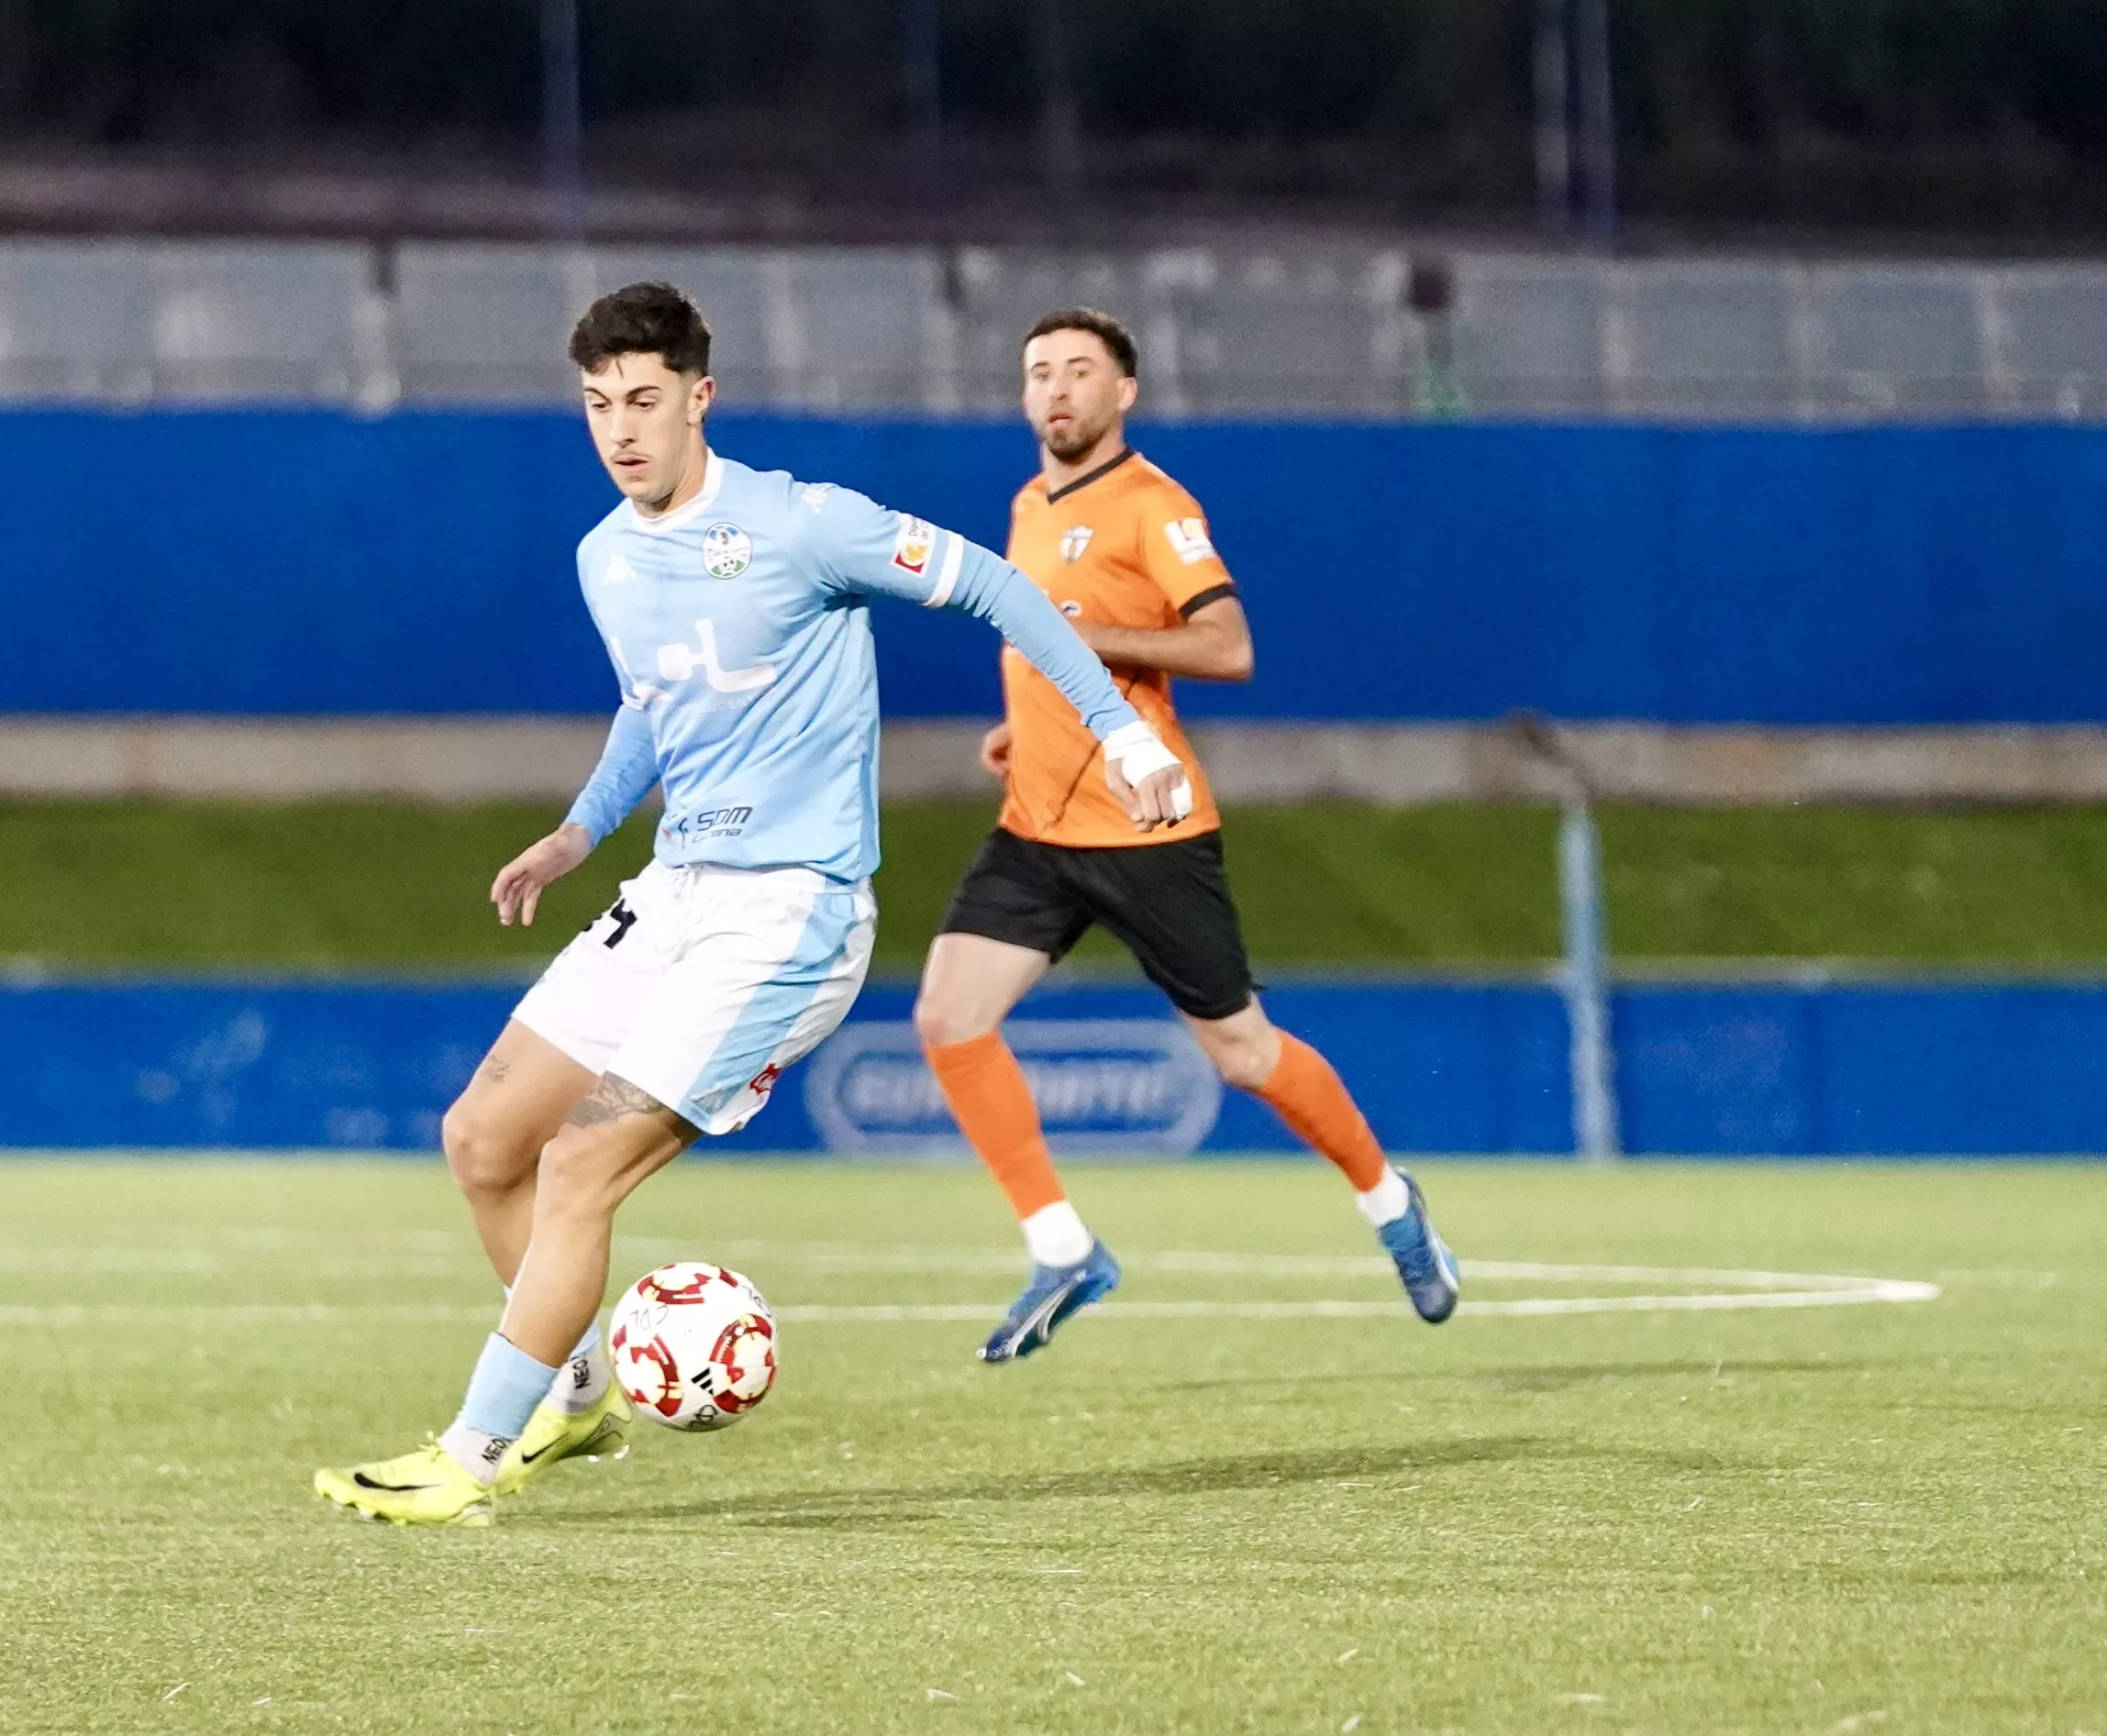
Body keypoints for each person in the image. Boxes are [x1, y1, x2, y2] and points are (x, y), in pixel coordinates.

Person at [316, 282, 1191, 1527]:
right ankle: (568, 1394)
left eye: (645, 402)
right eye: (598, 405)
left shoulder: (804, 524)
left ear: (699, 397)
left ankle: (470, 1454)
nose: (621, 431)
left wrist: (1117, 733)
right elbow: (653, 706)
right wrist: (579, 829)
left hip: (790, 913)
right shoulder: (605, 557)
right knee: (485, 1141)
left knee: (576, 1167)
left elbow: (998, 585)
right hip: (671, 891)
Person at [911, 307, 1459, 1365]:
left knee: (1244, 1053)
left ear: (1124, 394)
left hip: (1147, 829)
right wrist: (1020, 723)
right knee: (948, 1016)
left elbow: (1227, 644)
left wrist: (1086, 640)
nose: (1057, 388)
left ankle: (1390, 1204)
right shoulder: (1028, 504)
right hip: (1036, 822)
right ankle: (1063, 1250)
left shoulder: (1155, 506)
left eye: (1080, 370)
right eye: (1039, 373)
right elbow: (1055, 654)